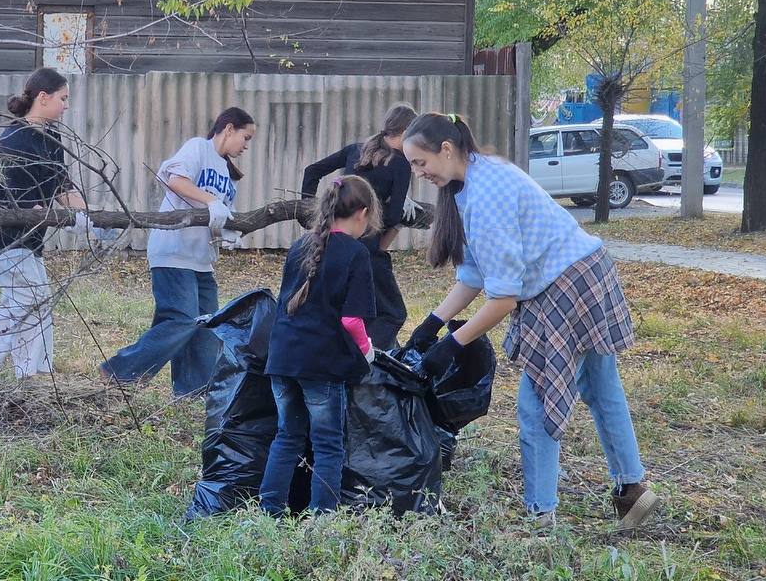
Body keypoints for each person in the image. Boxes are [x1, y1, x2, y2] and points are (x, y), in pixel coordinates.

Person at [400, 112, 660, 530]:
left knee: (536, 406)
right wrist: (430, 324)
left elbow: (502, 298)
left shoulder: (486, 196)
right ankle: (632, 491)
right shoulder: (477, 177)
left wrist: (452, 344)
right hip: (587, 269)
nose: (418, 173)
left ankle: (541, 517)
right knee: (600, 385)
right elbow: (475, 274)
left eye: (419, 163)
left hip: (563, 287)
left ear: (446, 150)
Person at [100, 108, 256, 397]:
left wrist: (227, 231)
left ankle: (192, 392)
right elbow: (175, 179)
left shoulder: (228, 173)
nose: (246, 146)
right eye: (245, 137)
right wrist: (211, 202)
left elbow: (217, 215)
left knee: (205, 327)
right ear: (229, 128)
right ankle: (120, 371)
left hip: (201, 260)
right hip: (173, 251)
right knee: (182, 319)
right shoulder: (198, 148)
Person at [0, 67, 89, 384]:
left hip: (28, 239)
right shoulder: (14, 139)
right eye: (62, 98)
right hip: (0, 236)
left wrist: (88, 219)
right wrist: (43, 210)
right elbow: (6, 197)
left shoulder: (51, 136)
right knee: (27, 299)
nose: (66, 105)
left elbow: (61, 186)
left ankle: (34, 374)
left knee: (38, 301)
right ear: (43, 97)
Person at [259, 175, 380, 515]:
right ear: (363, 213)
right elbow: (352, 321)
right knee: (328, 445)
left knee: (286, 437)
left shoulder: (300, 246)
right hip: (321, 365)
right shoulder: (356, 254)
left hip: (282, 358)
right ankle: (322, 520)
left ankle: (270, 512)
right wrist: (367, 352)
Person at [300, 104, 418, 351]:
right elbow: (395, 214)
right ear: (405, 131)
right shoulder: (401, 164)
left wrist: (307, 211)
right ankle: (368, 365)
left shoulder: (355, 150)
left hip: (332, 243)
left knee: (350, 309)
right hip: (369, 251)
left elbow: (312, 171)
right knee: (392, 314)